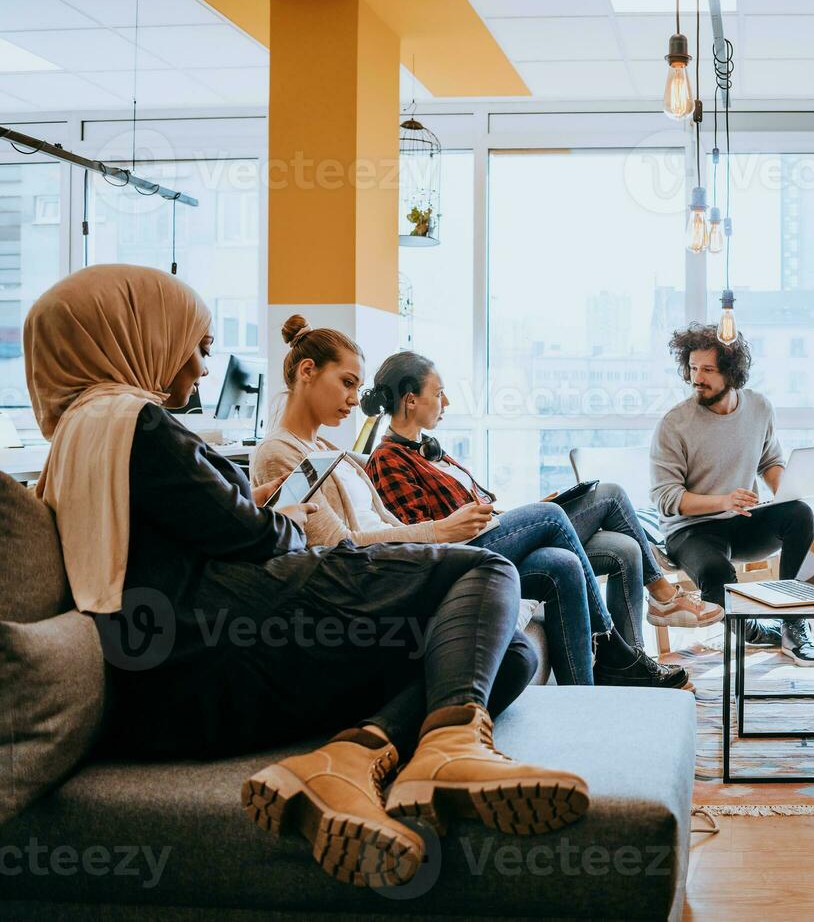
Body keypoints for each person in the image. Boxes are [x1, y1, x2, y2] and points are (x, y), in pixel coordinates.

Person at [24, 264, 586, 890]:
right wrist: (283, 520)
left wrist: (247, 507)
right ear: (133, 332)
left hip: (178, 673)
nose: (200, 369)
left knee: (503, 650)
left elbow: (208, 527)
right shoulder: (136, 424)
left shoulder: (82, 434)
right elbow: (253, 535)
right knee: (488, 566)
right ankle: (451, 752)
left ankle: (351, 757)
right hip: (215, 650)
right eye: (194, 346)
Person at [251, 318, 685, 691]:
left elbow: (383, 518)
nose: (353, 398)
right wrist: (440, 533)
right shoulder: (281, 453)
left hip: (415, 554)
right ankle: (615, 646)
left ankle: (582, 705)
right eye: (347, 383)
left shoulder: (328, 448)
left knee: (561, 564)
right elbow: (338, 549)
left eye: (358, 386)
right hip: (388, 575)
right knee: (563, 512)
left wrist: (458, 526)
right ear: (308, 371)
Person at [362, 351, 720, 644]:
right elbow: (419, 539)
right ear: (411, 400)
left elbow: (478, 511)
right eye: (439, 393)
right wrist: (537, 515)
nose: (448, 401)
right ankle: (657, 603)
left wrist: (527, 510)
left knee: (623, 548)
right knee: (609, 494)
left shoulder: (430, 450)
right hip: (470, 557)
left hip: (492, 535)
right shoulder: (389, 459)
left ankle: (631, 661)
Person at [651, 324, 814, 666]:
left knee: (800, 513)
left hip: (742, 521)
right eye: (693, 368)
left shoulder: (759, 408)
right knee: (716, 572)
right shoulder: (674, 424)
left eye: (708, 370)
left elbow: (770, 460)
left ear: (732, 372)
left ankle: (793, 625)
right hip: (690, 530)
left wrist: (787, 490)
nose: (697, 378)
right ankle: (750, 632)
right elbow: (666, 498)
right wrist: (723, 500)